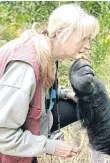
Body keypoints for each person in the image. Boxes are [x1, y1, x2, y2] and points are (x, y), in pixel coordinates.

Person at [0, 3, 99, 163]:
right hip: (6, 145)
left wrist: (66, 93)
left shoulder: (45, 50)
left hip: (21, 126)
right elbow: (3, 135)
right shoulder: (24, 68)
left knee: (83, 104)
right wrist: (51, 146)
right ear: (60, 33)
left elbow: (36, 89)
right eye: (83, 39)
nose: (87, 46)